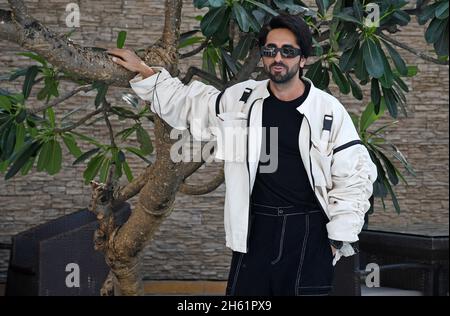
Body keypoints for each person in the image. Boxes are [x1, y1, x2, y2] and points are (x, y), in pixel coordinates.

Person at [107, 13, 377, 296]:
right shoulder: (243, 99)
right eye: (270, 50)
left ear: (303, 59)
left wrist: (338, 237)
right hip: (256, 227)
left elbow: (354, 177)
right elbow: (192, 105)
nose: (277, 58)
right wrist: (145, 72)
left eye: (288, 51)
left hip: (308, 228)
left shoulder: (328, 110)